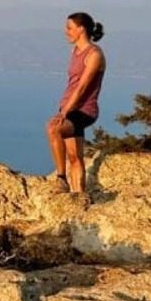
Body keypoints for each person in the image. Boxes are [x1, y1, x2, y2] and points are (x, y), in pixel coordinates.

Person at [47, 12, 106, 196]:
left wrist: (64, 112)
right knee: (74, 156)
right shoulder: (75, 51)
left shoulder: (94, 54)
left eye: (69, 28)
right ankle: (79, 196)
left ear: (81, 29)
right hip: (68, 108)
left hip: (84, 110)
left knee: (53, 129)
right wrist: (64, 108)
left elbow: (81, 88)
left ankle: (61, 178)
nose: (66, 32)